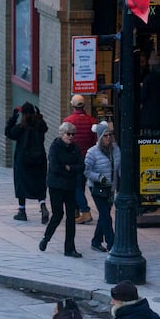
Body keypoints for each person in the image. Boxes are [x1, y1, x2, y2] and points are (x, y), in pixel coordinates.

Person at [39, 121, 82, 258]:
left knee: (71, 217)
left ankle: (69, 248)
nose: (71, 137)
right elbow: (55, 167)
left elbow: (81, 166)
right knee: (58, 215)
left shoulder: (75, 148)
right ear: (62, 134)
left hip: (70, 186)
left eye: (73, 134)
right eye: (68, 134)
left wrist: (70, 167)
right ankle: (46, 238)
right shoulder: (55, 147)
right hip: (56, 186)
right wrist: (69, 168)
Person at [5, 102, 49, 223]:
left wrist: (13, 118)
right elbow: (45, 127)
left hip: (23, 161)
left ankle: (22, 211)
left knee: (21, 184)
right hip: (39, 161)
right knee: (40, 184)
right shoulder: (40, 126)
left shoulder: (21, 127)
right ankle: (43, 206)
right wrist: (39, 116)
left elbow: (8, 133)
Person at [84, 120, 120, 253]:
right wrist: (99, 177)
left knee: (104, 215)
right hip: (97, 188)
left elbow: (119, 168)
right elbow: (86, 171)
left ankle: (96, 241)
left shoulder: (116, 150)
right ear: (99, 137)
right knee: (106, 215)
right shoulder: (92, 152)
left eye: (110, 134)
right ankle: (112, 244)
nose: (108, 138)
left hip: (110, 188)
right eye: (105, 135)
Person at [64, 95, 97, 225]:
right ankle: (76, 211)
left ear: (72, 105)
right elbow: (95, 142)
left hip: (74, 159)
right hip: (88, 157)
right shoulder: (92, 121)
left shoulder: (68, 121)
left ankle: (84, 211)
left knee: (76, 187)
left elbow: (65, 142)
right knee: (81, 186)